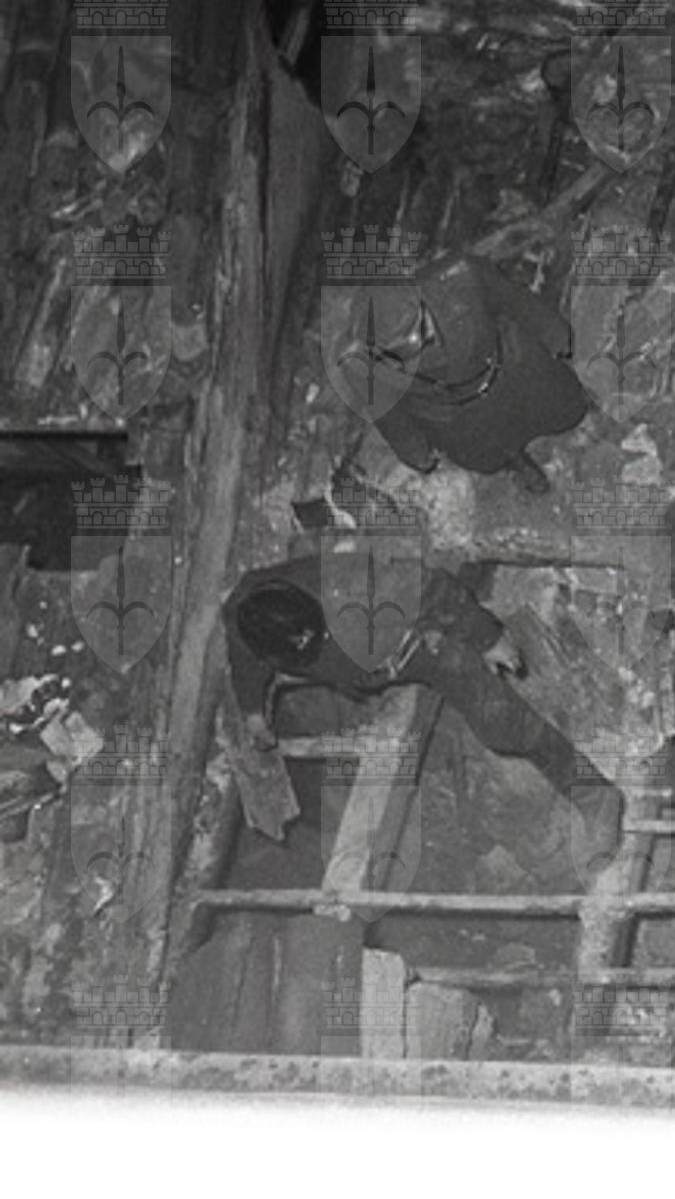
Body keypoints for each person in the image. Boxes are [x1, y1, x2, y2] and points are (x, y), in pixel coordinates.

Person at [224, 553, 624, 861]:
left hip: (418, 643)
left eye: (316, 636)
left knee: (500, 725)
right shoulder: (246, 622)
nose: (314, 644)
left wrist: (487, 637)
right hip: (369, 667)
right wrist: (253, 712)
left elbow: (430, 586)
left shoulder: (350, 585)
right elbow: (245, 665)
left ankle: (595, 794)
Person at [346, 251, 591, 494]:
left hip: (507, 364)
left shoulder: (463, 276)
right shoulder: (361, 363)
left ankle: (582, 426)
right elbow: (388, 414)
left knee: (568, 409)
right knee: (490, 455)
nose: (426, 341)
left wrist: (555, 334)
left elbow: (515, 301)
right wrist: (414, 450)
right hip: (453, 413)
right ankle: (516, 460)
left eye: (421, 329)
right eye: (404, 351)